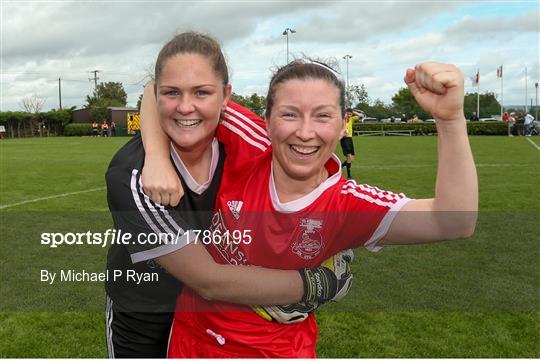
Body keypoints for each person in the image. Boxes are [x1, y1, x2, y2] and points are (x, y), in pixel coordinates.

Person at [142, 59, 478, 357]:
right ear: (267, 120)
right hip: (191, 341)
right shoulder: (249, 139)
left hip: (276, 351)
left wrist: (450, 120)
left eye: (323, 116)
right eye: (289, 114)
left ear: (343, 123)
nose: (305, 133)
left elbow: (452, 223)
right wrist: (156, 159)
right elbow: (156, 90)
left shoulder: (348, 205)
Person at [105, 33, 352, 358]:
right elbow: (208, 279)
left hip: (213, 315)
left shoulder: (237, 129)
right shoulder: (132, 176)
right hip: (146, 308)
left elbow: (302, 171)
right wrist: (313, 283)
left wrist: (334, 228)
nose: (186, 106)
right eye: (172, 93)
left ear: (225, 96)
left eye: (202, 92)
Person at [340, 108, 361, 179]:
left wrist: (353, 111)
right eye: (347, 114)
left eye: (350, 114)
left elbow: (361, 116)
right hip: (344, 139)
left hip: (350, 139)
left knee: (352, 158)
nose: (349, 115)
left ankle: (340, 166)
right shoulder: (342, 121)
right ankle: (349, 175)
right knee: (349, 157)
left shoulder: (351, 119)